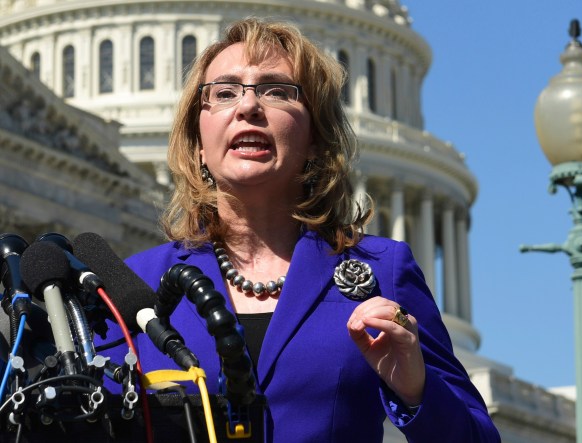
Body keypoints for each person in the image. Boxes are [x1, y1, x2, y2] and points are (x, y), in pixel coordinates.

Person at [103, 17, 500, 442]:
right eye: (223, 93)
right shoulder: (135, 286)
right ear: (198, 142)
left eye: (276, 91)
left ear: (315, 139)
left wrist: (417, 389)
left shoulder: (379, 272)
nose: (248, 107)